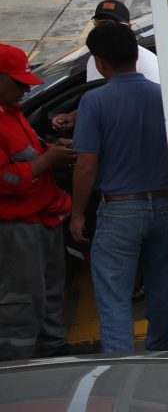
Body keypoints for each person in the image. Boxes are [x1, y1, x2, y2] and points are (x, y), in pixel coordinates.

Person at [70, 22, 168, 353]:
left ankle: (121, 367)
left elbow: (87, 165)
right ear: (136, 55)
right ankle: (160, 352)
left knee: (114, 292)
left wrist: (77, 214)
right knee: (164, 289)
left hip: (119, 211)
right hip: (167, 207)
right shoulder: (165, 96)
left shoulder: (94, 101)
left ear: (100, 63)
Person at [0, 44, 76, 361]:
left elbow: (28, 151)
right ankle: (16, 365)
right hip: (17, 228)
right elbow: (8, 180)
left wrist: (50, 147)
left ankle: (53, 350)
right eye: (18, 82)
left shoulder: (11, 113)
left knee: (49, 292)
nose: (24, 89)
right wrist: (48, 161)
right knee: (21, 300)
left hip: (44, 218)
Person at [51, 0, 159, 133]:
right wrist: (75, 116)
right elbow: (99, 102)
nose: (107, 30)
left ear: (129, 28)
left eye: (113, 24)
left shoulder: (149, 65)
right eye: (100, 24)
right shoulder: (93, 60)